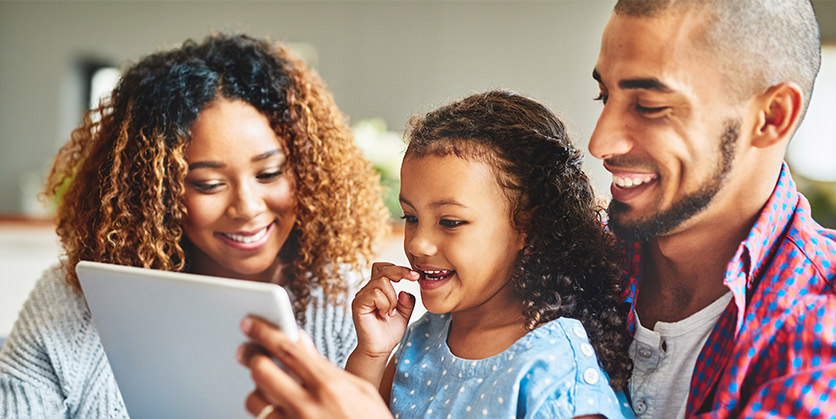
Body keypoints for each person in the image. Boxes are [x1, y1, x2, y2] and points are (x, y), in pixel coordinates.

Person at [237, 0, 835, 418]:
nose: (600, 142)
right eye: (605, 95)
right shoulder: (572, 257)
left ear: (771, 116)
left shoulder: (817, 331)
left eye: (650, 106)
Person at [0, 33, 389, 418]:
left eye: (269, 173)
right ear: (154, 190)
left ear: (307, 169)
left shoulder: (356, 312)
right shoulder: (70, 304)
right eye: (208, 184)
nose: (247, 208)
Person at [344, 90, 634, 418]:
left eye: (450, 222)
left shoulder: (553, 362)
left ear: (530, 228)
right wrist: (372, 353)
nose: (418, 244)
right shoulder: (424, 339)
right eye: (410, 217)